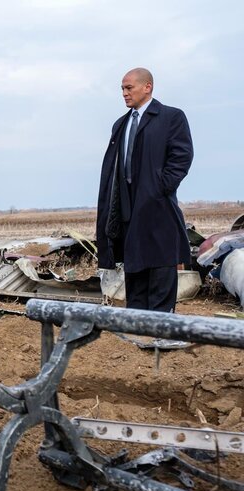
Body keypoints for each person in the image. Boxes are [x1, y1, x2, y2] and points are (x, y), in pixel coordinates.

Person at [96, 67, 193, 312]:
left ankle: (160, 326)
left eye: (129, 88)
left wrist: (160, 188)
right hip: (127, 208)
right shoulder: (121, 124)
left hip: (158, 207)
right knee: (134, 265)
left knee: (161, 264)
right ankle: (137, 325)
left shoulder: (171, 117)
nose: (124, 93)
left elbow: (182, 157)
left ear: (147, 87)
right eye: (122, 89)